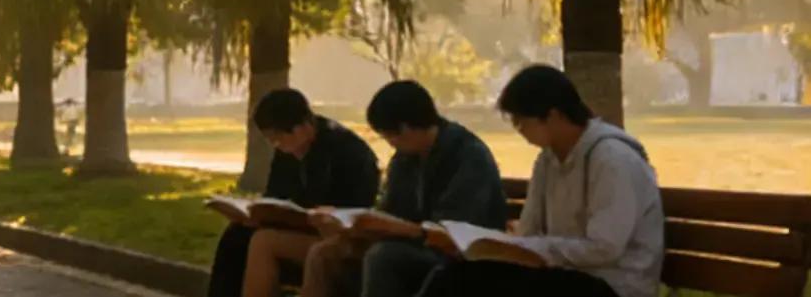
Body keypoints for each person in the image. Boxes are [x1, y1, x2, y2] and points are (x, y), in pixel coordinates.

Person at [420, 64, 662, 297]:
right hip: (564, 274)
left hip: (614, 285)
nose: (519, 130)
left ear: (553, 116)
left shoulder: (612, 159)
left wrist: (538, 247)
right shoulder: (547, 160)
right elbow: (529, 230)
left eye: (521, 121)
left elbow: (605, 248)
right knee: (456, 277)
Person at [301, 79, 509, 297]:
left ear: (407, 128)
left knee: (384, 257)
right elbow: (390, 211)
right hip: (412, 245)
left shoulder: (467, 155)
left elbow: (453, 233)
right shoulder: (405, 158)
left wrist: (398, 228)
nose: (391, 143)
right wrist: (354, 226)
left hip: (459, 256)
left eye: (390, 135)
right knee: (328, 253)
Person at [210, 87, 381, 297]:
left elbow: (354, 211)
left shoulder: (348, 152)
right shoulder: (288, 151)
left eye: (278, 138)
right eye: (272, 140)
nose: (278, 145)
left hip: (335, 236)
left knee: (264, 242)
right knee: (237, 235)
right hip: (301, 227)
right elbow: (275, 197)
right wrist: (255, 215)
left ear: (303, 126)